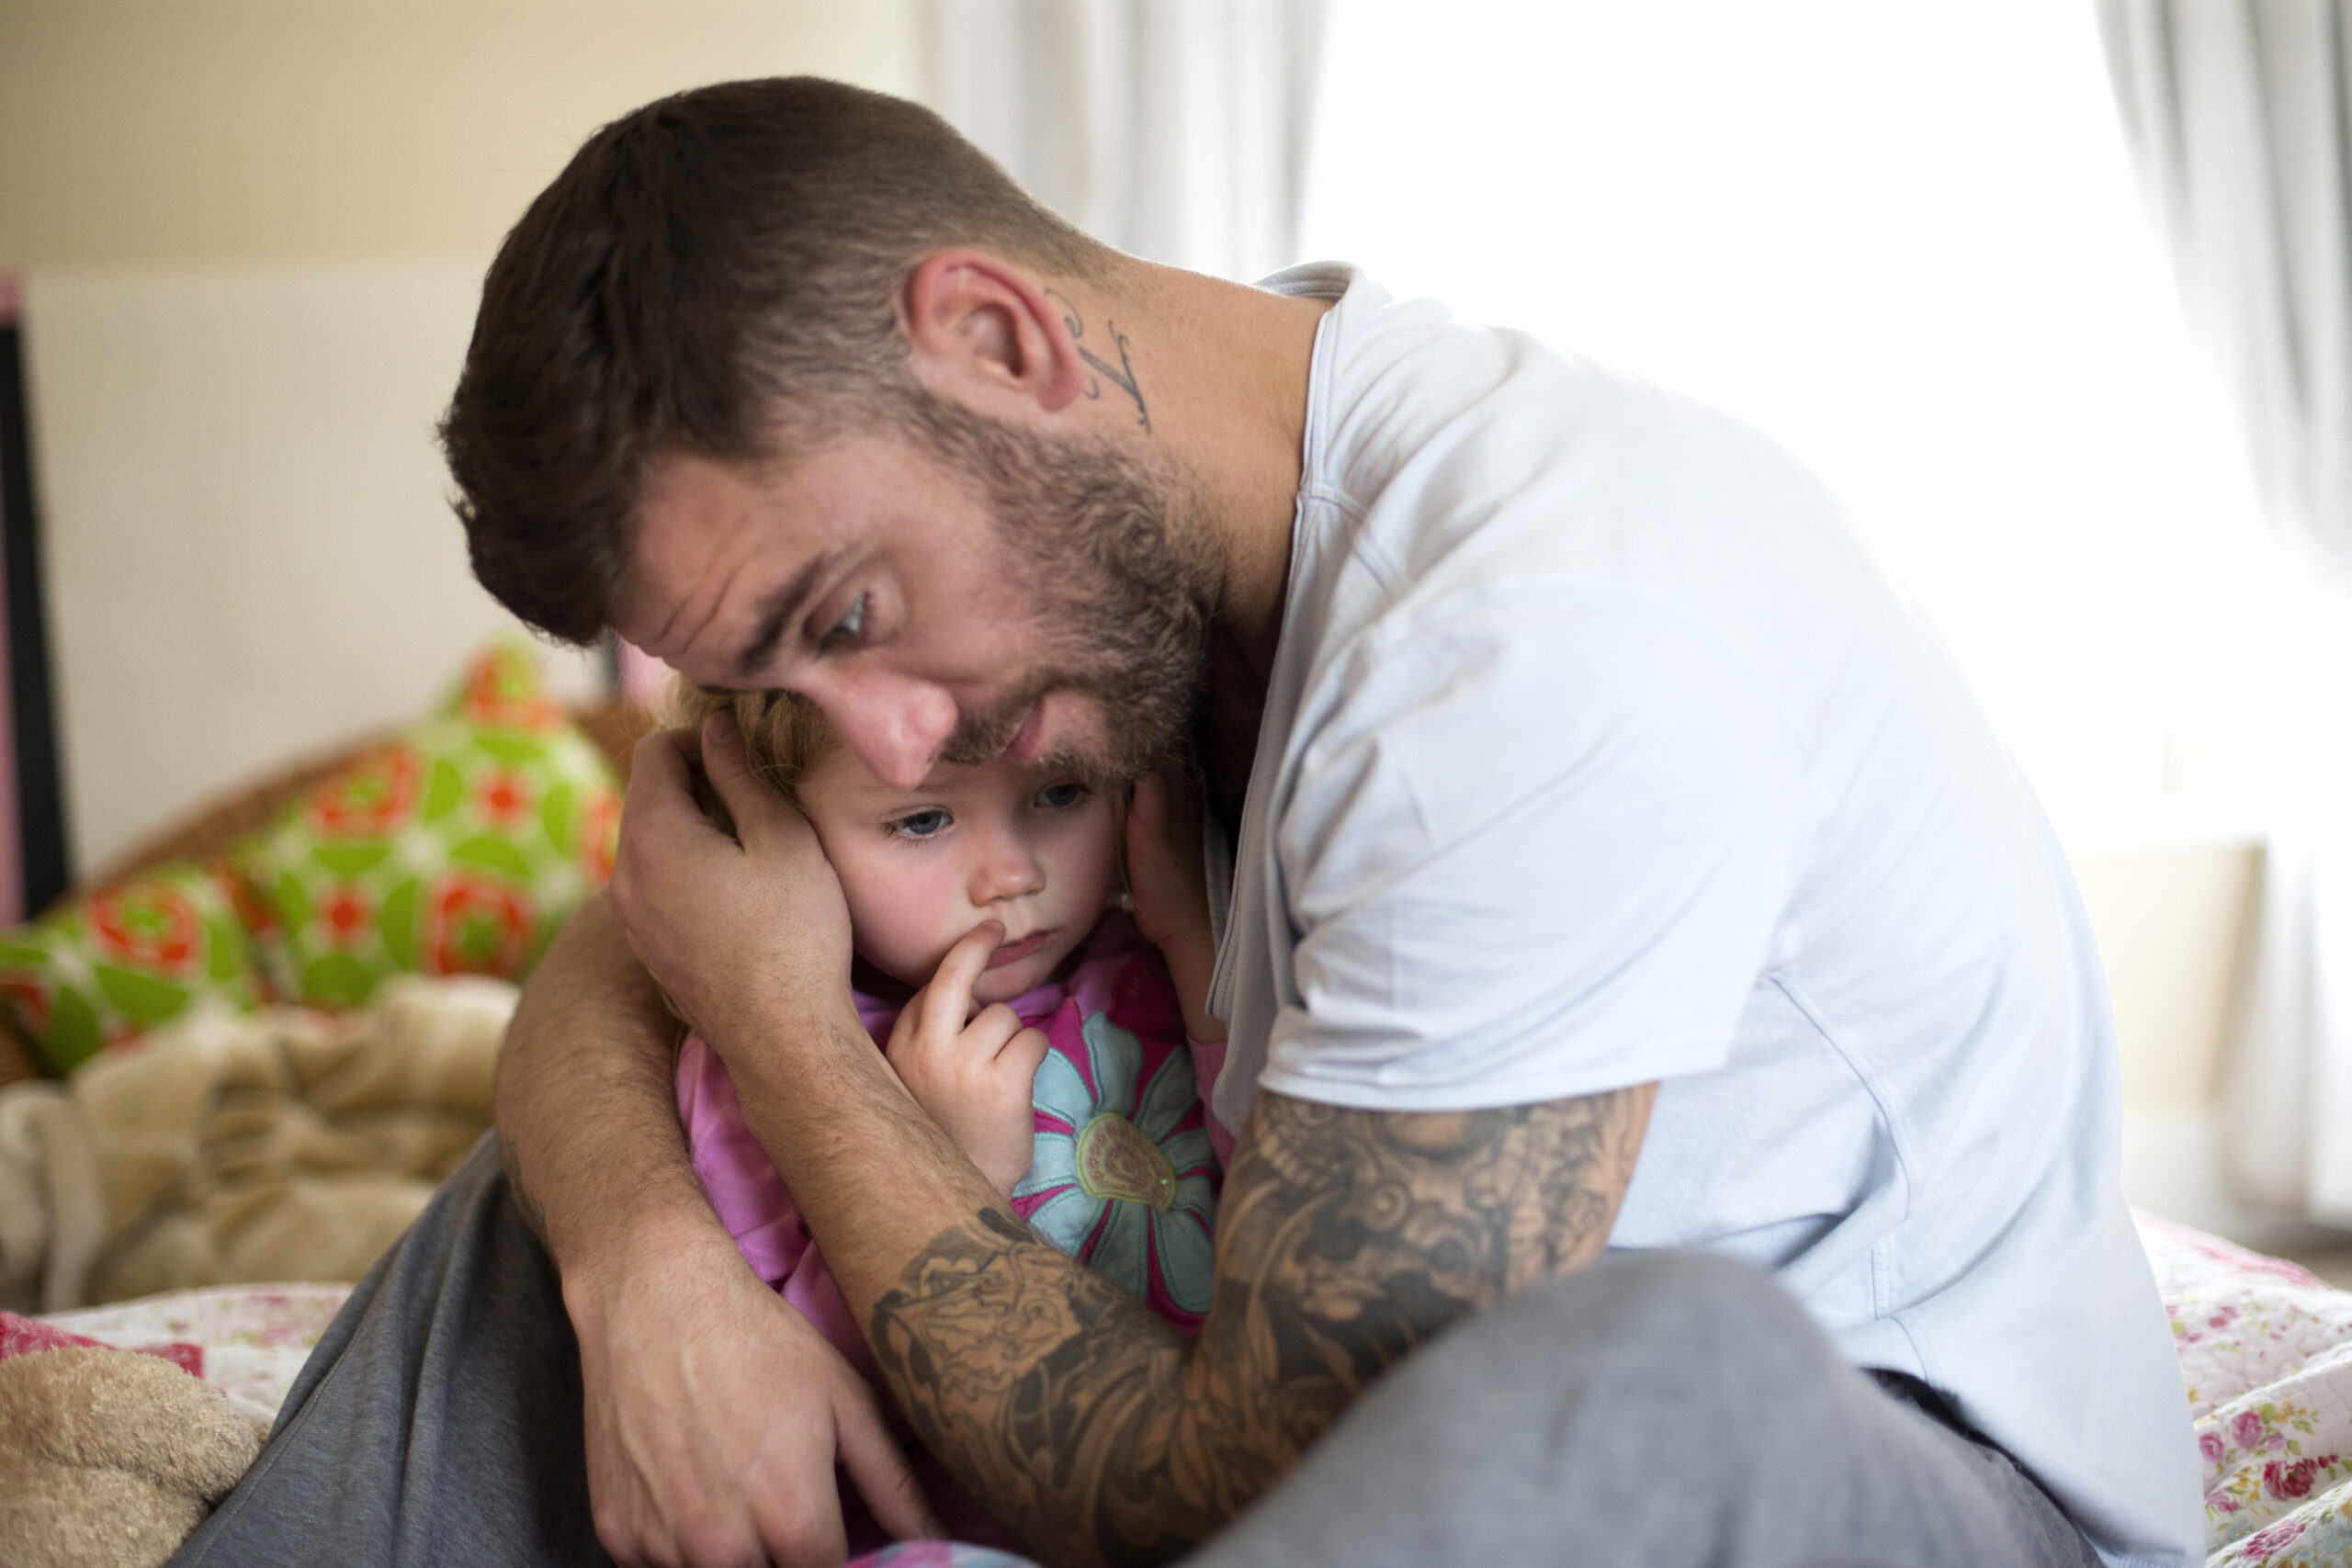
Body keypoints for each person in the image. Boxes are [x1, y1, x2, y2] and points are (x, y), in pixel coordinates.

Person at [171, 74, 2200, 1568]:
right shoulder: (1114, 520)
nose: (879, 740)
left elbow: (1269, 1486)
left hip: (1879, 1476)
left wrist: (795, 1047)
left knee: (1655, 1361)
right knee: (617, 1158)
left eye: (853, 618)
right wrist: (647, 1268)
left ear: (1001, 339)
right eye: (791, 696)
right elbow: (664, 926)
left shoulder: (1530, 628)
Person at [669, 682, 1230, 1551]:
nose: (1014, 873)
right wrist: (944, 1174)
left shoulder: (1154, 967)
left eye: (1061, 792)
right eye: (924, 821)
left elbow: (1279, 1186)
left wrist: (1195, 944)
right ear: (782, 838)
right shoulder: (765, 1067)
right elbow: (786, 1418)